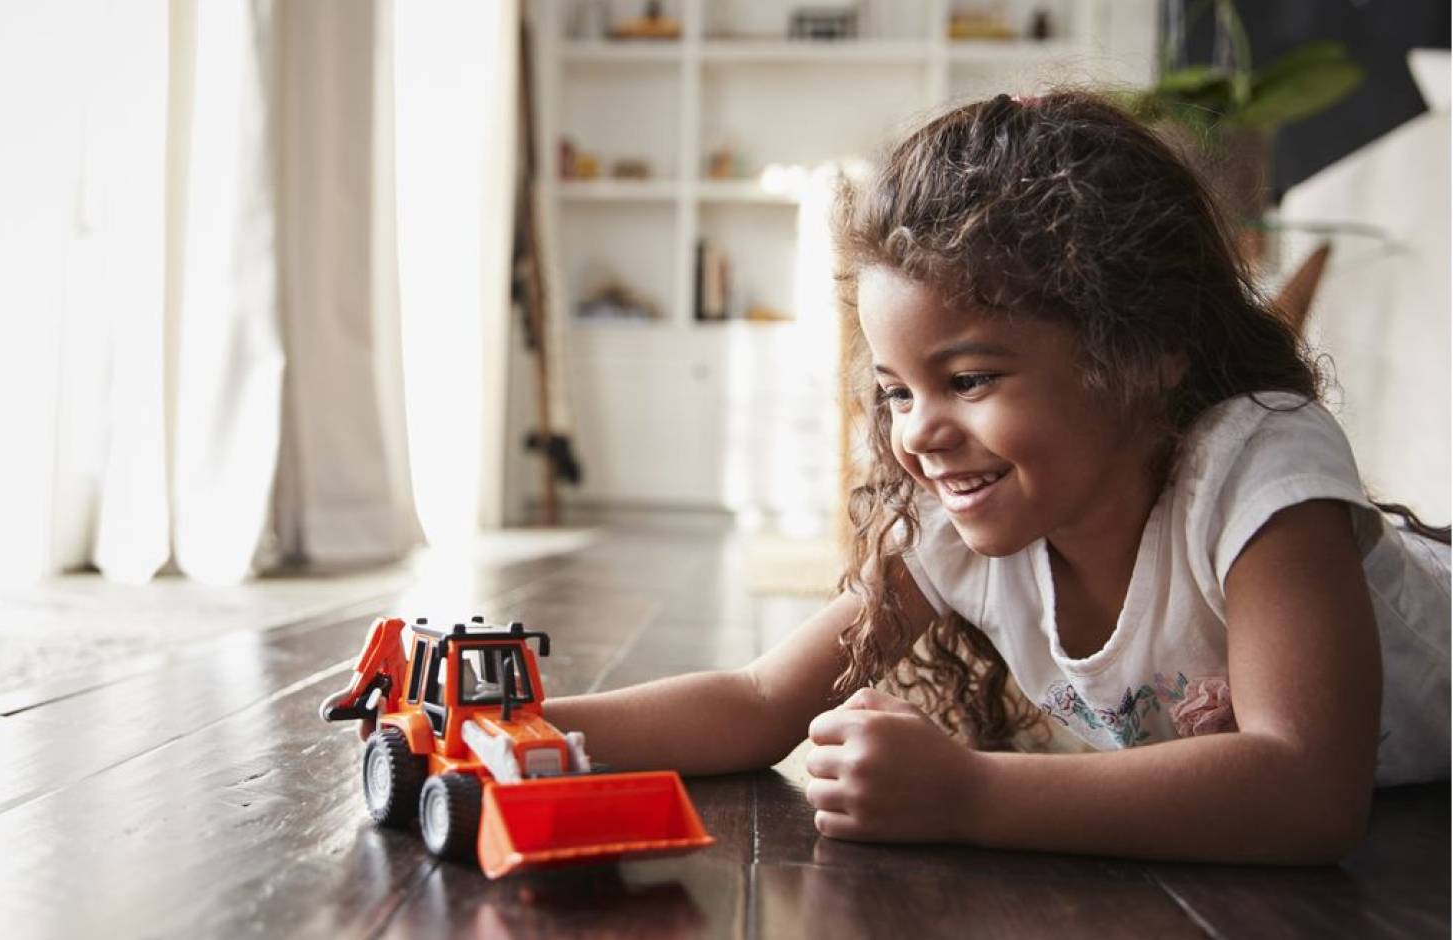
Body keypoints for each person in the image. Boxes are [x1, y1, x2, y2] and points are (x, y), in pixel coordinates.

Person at [542, 91, 1451, 865]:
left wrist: (969, 797)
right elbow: (757, 701)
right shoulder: (969, 523)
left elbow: (1307, 789)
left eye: (969, 380)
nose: (918, 434)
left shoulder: (1257, 466)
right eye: (896, 392)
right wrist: (503, 722)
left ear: (1144, 351)